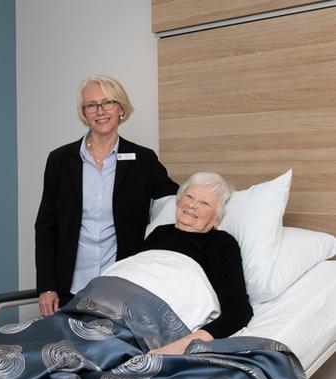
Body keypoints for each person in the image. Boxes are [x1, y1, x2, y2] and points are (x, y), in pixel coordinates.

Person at [35, 74, 178, 316]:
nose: (100, 111)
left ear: (121, 108)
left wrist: (212, 201)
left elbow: (176, 198)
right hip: (70, 287)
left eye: (108, 102)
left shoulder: (143, 160)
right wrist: (47, 286)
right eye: (91, 105)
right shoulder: (60, 160)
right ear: (84, 112)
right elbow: (46, 226)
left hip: (122, 286)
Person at [141, 172, 253, 355]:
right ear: (178, 201)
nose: (192, 204)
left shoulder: (221, 243)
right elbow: (132, 273)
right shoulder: (158, 233)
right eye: (189, 196)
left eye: (204, 203)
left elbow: (238, 311)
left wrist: (183, 345)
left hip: (157, 320)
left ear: (216, 219)